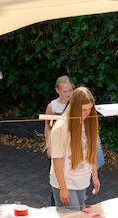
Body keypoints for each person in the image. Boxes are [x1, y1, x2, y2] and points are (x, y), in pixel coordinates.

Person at [49, 86, 101, 218]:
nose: (86, 114)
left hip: (82, 181)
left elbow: (92, 152)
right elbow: (57, 160)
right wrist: (62, 188)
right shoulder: (61, 127)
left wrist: (95, 176)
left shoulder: (88, 123)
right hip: (65, 182)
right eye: (83, 110)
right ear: (74, 106)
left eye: (89, 110)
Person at [45, 76, 75, 207]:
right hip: (57, 147)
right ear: (57, 90)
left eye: (70, 90)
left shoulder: (76, 104)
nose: (68, 94)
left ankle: (74, 194)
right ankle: (55, 202)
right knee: (56, 176)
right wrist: (49, 147)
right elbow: (47, 127)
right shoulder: (52, 106)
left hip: (70, 147)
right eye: (65, 91)